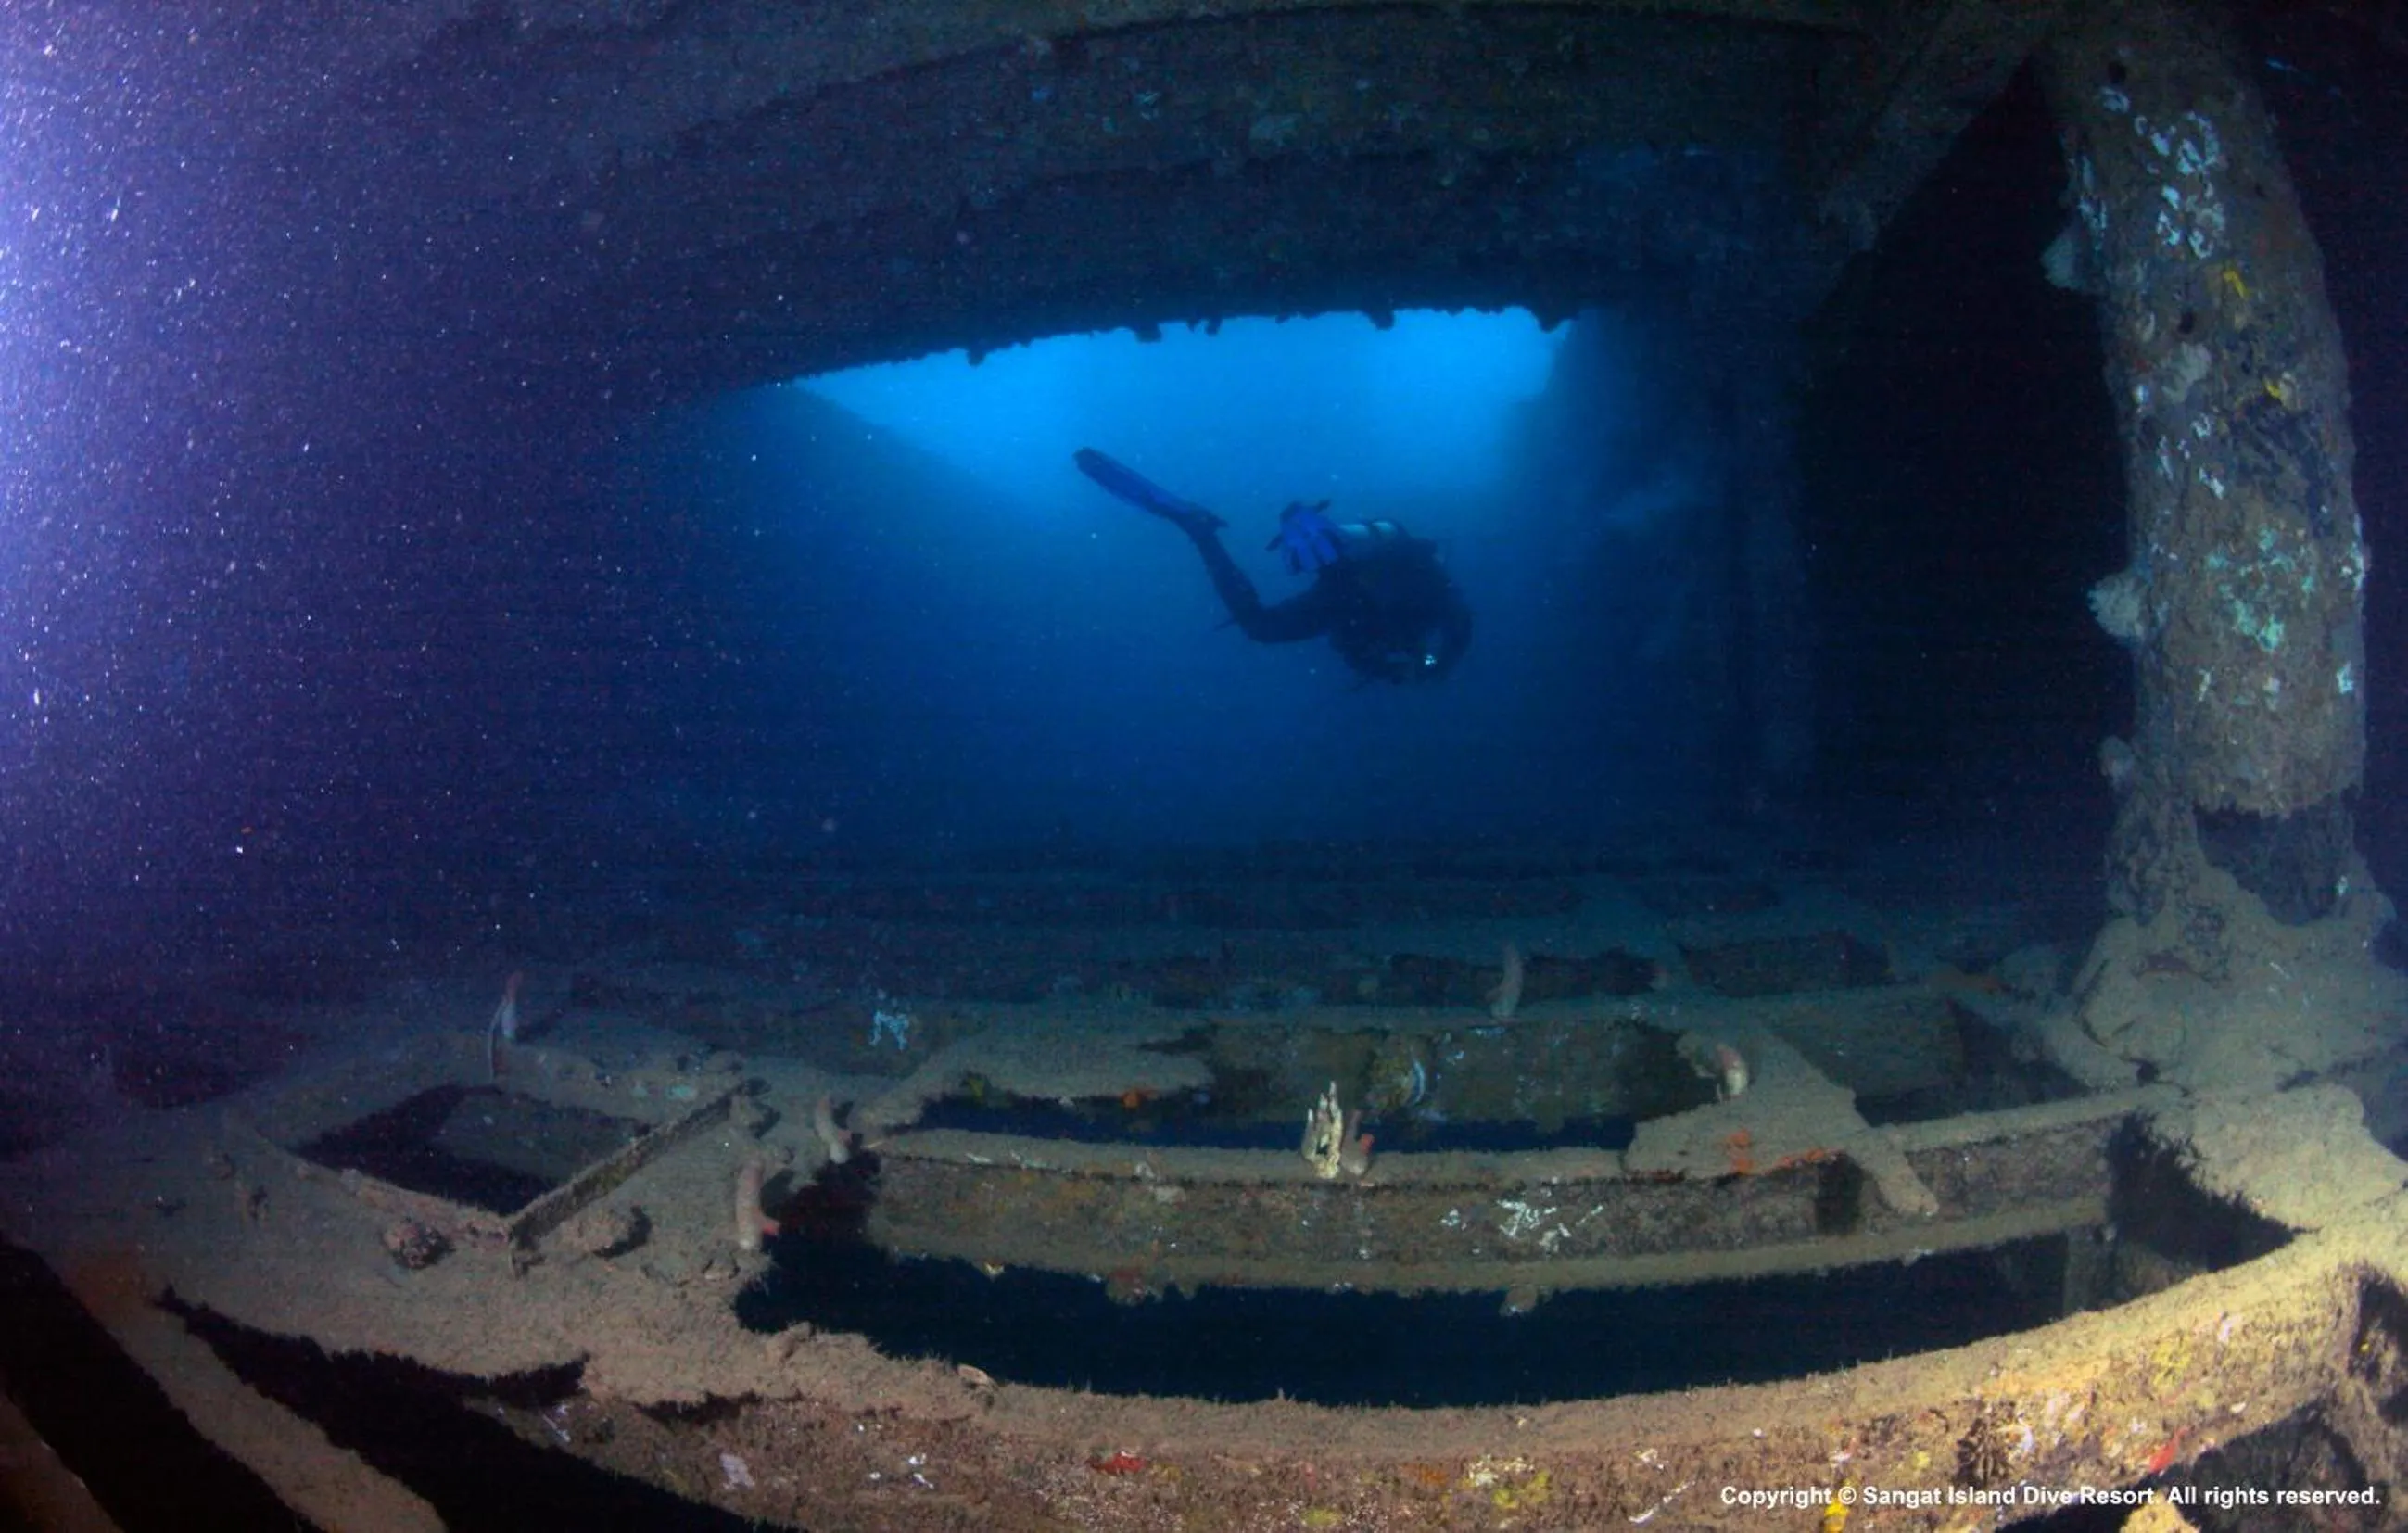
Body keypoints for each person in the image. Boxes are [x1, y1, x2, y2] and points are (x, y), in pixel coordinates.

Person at [1075, 448, 1473, 685]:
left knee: (1259, 626)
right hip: (1350, 593)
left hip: (1345, 594)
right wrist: (1433, 667)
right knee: (1261, 627)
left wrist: (1403, 669)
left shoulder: (1411, 589)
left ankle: (1201, 532)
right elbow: (1457, 623)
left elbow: (1354, 645)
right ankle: (1201, 531)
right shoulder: (1421, 587)